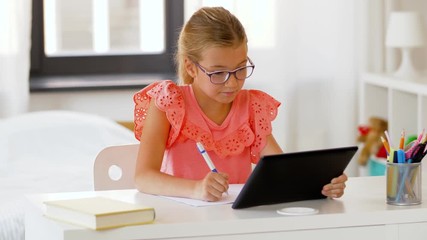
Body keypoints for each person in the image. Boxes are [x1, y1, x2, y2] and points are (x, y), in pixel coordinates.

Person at [133, 6, 347, 202]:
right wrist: (196, 189)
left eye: (240, 68)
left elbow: (283, 170)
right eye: (218, 73)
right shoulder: (168, 102)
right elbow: (143, 177)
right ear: (191, 67)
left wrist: (321, 184)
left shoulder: (251, 106)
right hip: (181, 222)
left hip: (235, 223)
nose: (233, 82)